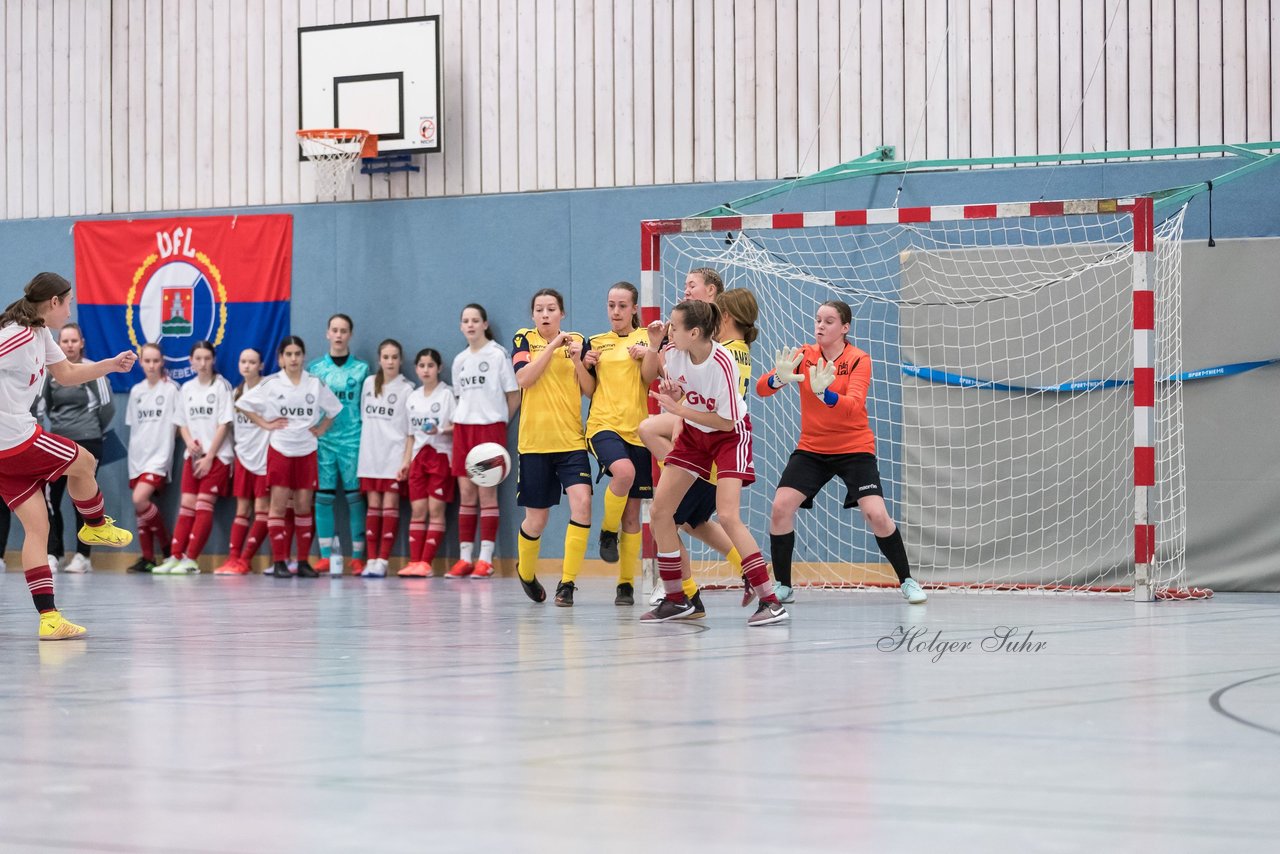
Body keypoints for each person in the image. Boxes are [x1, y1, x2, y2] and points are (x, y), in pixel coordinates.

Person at [757, 300, 927, 605]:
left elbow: (854, 406)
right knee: (781, 507)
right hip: (812, 448)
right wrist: (777, 378)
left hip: (854, 448)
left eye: (829, 321)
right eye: (818, 320)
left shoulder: (859, 359)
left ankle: (907, 580)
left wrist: (826, 394)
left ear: (845, 327)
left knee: (876, 514)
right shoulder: (804, 355)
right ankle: (783, 585)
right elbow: (760, 389)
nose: (820, 326)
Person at [0, 272, 135, 640]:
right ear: (54, 303)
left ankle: (49, 619)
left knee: (37, 529)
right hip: (14, 438)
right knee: (86, 461)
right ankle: (94, 524)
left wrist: (110, 364)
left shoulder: (40, 335)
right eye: (69, 300)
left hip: (8, 447)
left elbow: (68, 373)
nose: (71, 307)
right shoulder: (17, 335)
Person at [642, 299, 788, 626]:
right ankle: (676, 598)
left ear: (694, 332)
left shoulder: (723, 362)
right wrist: (674, 390)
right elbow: (682, 388)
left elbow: (724, 422)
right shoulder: (675, 353)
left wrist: (677, 409)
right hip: (695, 434)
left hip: (729, 436)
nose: (668, 329)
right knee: (660, 512)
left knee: (727, 515)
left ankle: (771, 600)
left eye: (674, 326)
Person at [576, 282, 658, 606]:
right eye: (611, 305)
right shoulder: (595, 343)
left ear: (634, 308)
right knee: (622, 474)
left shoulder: (645, 339)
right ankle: (607, 532)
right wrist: (583, 365)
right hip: (603, 425)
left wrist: (650, 350)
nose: (616, 312)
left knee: (633, 514)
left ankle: (625, 585)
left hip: (639, 429)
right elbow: (587, 390)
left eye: (623, 305)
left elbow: (650, 378)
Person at [236, 336, 341, 579]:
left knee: (304, 505)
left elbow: (334, 409)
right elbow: (242, 403)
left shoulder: (314, 383)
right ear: (280, 358)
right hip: (281, 449)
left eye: (298, 353)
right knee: (278, 506)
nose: (293, 358)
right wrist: (265, 423)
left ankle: (303, 561)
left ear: (303, 356)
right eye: (289, 354)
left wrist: (323, 427)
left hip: (306, 451)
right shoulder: (272, 383)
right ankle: (280, 561)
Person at [511, 289, 592, 607]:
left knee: (582, 504)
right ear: (532, 315)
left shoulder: (578, 341)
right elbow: (524, 378)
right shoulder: (523, 339)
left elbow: (589, 390)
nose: (545, 314)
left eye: (551, 309)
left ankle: (567, 584)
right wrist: (552, 347)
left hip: (571, 442)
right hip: (534, 444)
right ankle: (527, 572)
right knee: (536, 520)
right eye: (539, 310)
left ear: (562, 314)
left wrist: (577, 360)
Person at [448, 304, 519, 580]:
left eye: (475, 320)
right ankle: (465, 558)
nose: (470, 325)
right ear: (461, 326)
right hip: (463, 429)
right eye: (465, 321)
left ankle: (485, 559)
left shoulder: (498, 355)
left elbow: (513, 395)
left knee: (486, 493)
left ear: (485, 324)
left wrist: (500, 423)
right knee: (466, 493)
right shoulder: (459, 360)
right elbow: (458, 398)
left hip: (490, 430)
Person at [39, 322, 115, 574]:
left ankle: (84, 557)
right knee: (51, 499)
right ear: (58, 345)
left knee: (83, 500)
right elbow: (44, 407)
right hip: (58, 443)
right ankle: (54, 552)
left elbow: (107, 407)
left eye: (74, 341)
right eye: (65, 341)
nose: (69, 345)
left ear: (81, 343)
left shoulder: (92, 369)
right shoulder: (51, 373)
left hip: (88, 441)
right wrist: (60, 429)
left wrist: (88, 429)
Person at [153, 340, 234, 574]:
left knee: (203, 505)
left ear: (213, 360)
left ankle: (191, 559)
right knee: (186, 505)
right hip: (193, 455)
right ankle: (175, 556)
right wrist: (189, 441)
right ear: (191, 361)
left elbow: (224, 424)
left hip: (217, 457)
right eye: (198, 358)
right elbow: (181, 422)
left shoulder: (221, 386)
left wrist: (210, 456)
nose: (203, 363)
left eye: (207, 358)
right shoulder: (186, 388)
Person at [309, 314, 370, 576]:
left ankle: (357, 556)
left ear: (350, 335)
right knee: (323, 497)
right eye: (334, 330)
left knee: (356, 499)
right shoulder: (314, 369)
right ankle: (324, 556)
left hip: (353, 440)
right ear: (327, 333)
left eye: (343, 330)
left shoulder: (363, 369)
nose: (338, 335)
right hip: (324, 441)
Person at [355, 339, 414, 578]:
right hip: (370, 456)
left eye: (394, 357)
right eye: (386, 357)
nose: (390, 361)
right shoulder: (369, 383)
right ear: (379, 360)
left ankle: (383, 560)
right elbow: (363, 416)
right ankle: (371, 559)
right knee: (373, 508)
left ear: (400, 360)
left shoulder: (407, 388)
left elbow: (410, 431)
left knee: (389, 507)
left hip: (393, 456)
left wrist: (405, 461)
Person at [398, 348, 456, 578]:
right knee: (418, 510)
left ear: (439, 368)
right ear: (416, 369)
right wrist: (405, 462)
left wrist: (440, 429)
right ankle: (414, 561)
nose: (425, 370)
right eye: (421, 365)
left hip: (440, 456)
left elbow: (457, 425)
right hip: (418, 458)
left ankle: (426, 562)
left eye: (430, 365)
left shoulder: (447, 395)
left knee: (435, 509)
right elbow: (410, 435)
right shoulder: (412, 397)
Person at [214, 348, 270, 575]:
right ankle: (233, 558)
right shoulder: (236, 392)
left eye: (252, 362)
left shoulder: (269, 390)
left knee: (262, 509)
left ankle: (246, 559)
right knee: (242, 509)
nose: (247, 366)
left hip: (265, 457)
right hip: (243, 457)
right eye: (243, 361)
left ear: (261, 365)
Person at [125, 342, 178, 572]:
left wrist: (166, 453)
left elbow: (177, 425)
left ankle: (167, 548)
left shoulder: (171, 390)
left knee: (140, 499)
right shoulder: (136, 391)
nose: (152, 365)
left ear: (162, 362)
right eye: (147, 360)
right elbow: (134, 426)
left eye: (156, 360)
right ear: (141, 361)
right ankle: (148, 557)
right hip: (137, 457)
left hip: (159, 456)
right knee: (140, 507)